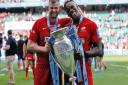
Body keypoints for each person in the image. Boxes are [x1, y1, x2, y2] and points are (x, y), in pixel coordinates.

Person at [27, 0, 71, 85]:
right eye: (51, 8)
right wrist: (44, 49)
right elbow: (29, 45)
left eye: (56, 8)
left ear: (60, 9)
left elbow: (79, 17)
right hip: (42, 67)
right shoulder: (39, 23)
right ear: (48, 8)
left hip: (59, 67)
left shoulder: (65, 22)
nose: (54, 10)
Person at [64, 1, 104, 85]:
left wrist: (84, 53)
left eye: (72, 7)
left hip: (85, 73)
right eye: (68, 10)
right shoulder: (66, 28)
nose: (71, 10)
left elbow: (100, 50)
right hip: (69, 74)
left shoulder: (90, 24)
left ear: (78, 7)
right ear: (67, 14)